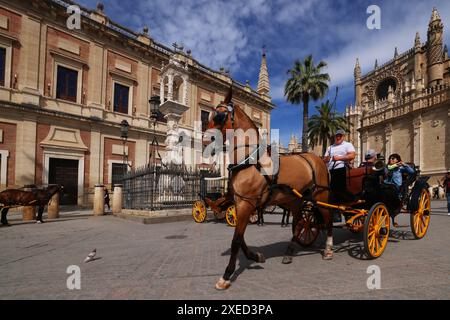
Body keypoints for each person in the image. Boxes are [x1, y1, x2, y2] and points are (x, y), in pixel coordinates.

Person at [324, 129, 356, 222]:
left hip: (341, 169)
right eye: (336, 136)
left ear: (343, 136)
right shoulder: (330, 147)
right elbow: (325, 159)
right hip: (329, 170)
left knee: (336, 189)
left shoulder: (347, 145)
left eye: (340, 136)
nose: (338, 137)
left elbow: (352, 155)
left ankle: (336, 211)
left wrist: (339, 158)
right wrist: (326, 159)